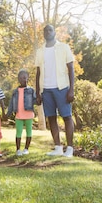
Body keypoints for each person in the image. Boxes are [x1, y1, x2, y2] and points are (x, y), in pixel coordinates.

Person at [35, 24, 75, 157]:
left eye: (50, 30)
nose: (47, 32)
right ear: (43, 34)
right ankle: (57, 147)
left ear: (54, 32)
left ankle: (69, 148)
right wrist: (38, 92)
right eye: (45, 30)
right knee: (51, 118)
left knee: (67, 117)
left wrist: (71, 90)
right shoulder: (40, 51)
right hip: (46, 89)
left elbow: (71, 68)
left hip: (62, 88)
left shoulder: (63, 47)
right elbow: (38, 72)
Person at [6, 69, 37, 156]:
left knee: (29, 132)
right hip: (19, 115)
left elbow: (35, 101)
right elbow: (11, 103)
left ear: (28, 78)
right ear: (18, 79)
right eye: (21, 78)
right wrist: (8, 113)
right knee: (18, 132)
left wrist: (39, 99)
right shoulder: (15, 91)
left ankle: (26, 149)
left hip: (29, 114)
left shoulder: (31, 90)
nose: (23, 79)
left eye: (25, 77)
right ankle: (18, 149)